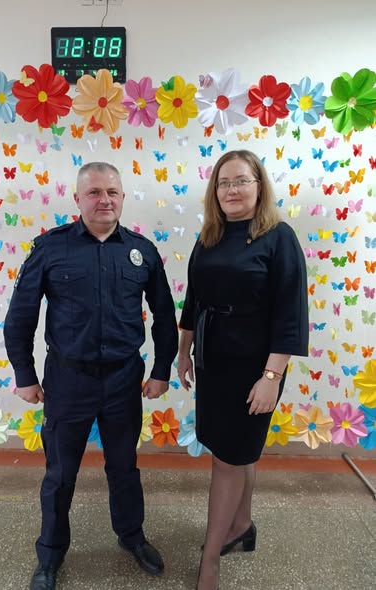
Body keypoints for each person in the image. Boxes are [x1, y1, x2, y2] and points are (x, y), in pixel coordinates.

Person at [4, 161, 178, 590]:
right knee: (60, 474)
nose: (104, 200)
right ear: (77, 198)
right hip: (68, 381)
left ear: (122, 197)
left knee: (124, 466)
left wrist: (161, 370)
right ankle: (50, 555)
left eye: (112, 192)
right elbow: (20, 316)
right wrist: (25, 375)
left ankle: (131, 536)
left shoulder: (142, 251)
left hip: (123, 380)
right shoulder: (50, 249)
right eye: (95, 192)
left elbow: (164, 316)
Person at [177, 150, 308, 590]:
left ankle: (210, 559)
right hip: (212, 361)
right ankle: (241, 526)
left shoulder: (278, 237)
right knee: (237, 451)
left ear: (259, 185)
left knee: (228, 460)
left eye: (241, 181)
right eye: (224, 182)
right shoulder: (209, 237)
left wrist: (271, 378)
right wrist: (183, 352)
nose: (231, 190)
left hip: (255, 368)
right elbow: (194, 300)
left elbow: (291, 313)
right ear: (214, 191)